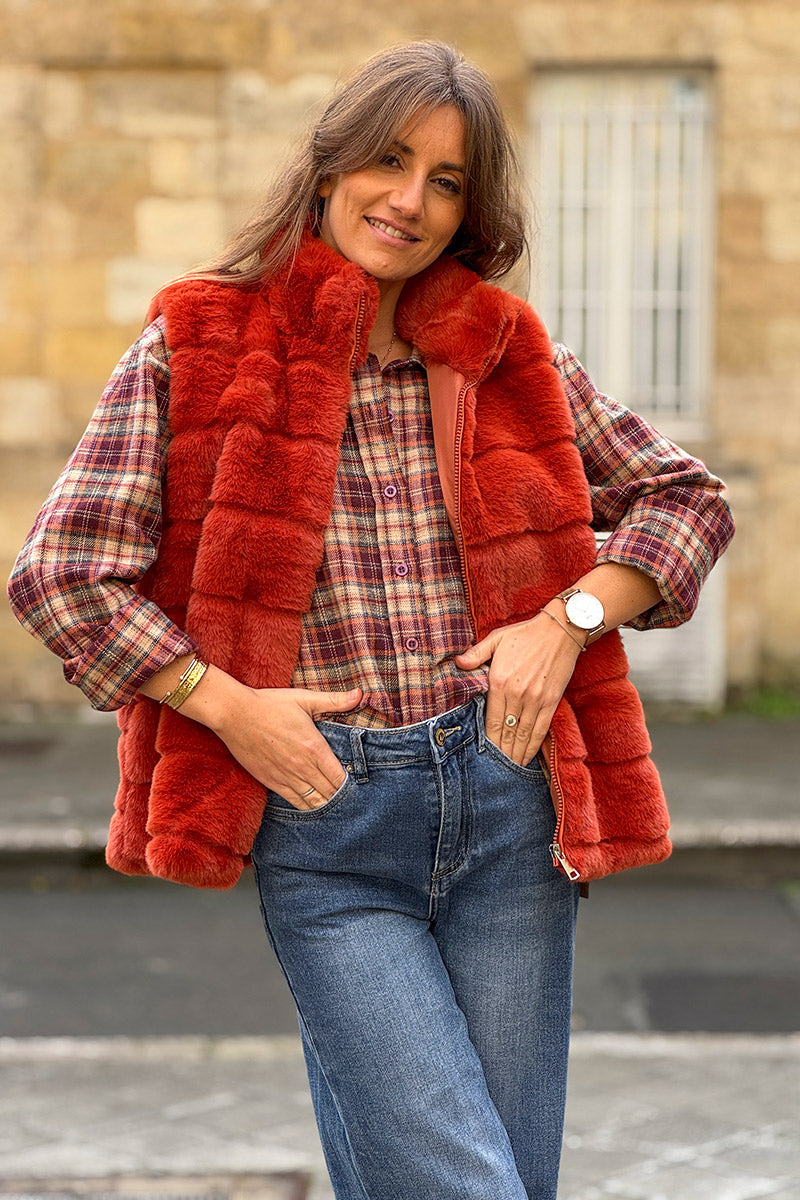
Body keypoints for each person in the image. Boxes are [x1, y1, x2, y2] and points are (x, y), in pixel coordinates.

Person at [8, 40, 733, 1200]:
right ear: (331, 164)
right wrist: (226, 707)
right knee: (463, 1185)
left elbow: (683, 501)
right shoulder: (199, 341)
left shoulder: (507, 352)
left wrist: (571, 617)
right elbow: (62, 574)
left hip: (507, 802)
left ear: (469, 208)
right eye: (389, 162)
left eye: (446, 181)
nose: (409, 201)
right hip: (326, 818)